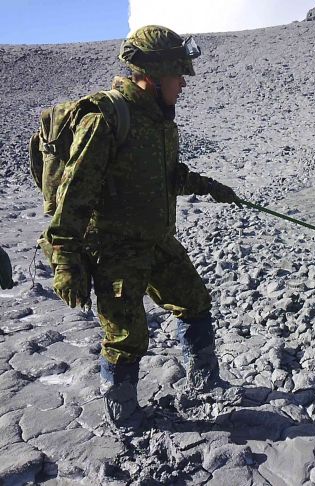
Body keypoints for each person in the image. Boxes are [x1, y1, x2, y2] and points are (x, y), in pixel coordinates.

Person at [42, 25, 241, 429]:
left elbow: (165, 176)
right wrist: (65, 259)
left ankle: (204, 382)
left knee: (195, 303)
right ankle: (126, 418)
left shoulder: (159, 120)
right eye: (178, 75)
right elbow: (74, 196)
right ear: (153, 73)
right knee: (126, 338)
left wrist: (210, 187)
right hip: (115, 252)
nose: (184, 83)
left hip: (157, 242)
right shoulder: (106, 119)